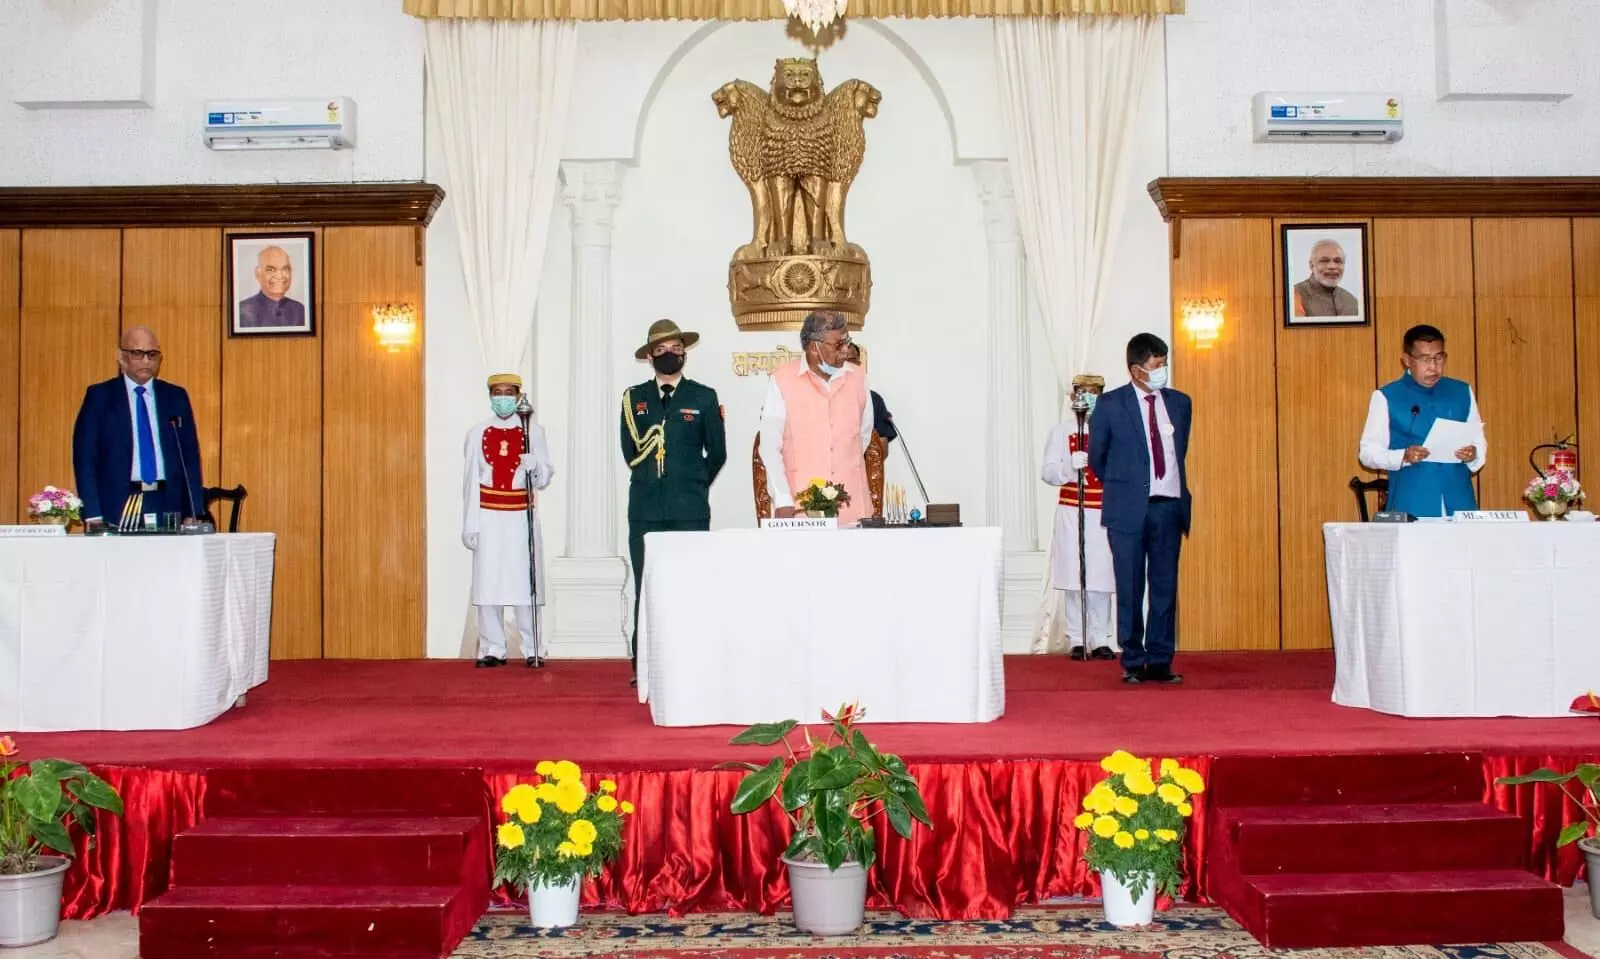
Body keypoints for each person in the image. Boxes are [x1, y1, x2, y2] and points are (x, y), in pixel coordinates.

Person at [621, 320, 727, 684]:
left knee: (691, 587)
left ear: (685, 352)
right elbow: (629, 451)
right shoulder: (634, 398)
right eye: (661, 350)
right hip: (646, 509)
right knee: (647, 586)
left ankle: (692, 660)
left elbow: (717, 453)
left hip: (689, 511)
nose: (670, 355)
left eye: (676, 349)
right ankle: (644, 665)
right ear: (650, 355)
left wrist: (693, 483)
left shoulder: (703, 397)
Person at [1088, 333, 1192, 686]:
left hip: (1168, 508)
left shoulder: (1180, 403)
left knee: (1164, 587)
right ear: (1136, 369)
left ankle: (1161, 658)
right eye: (1156, 366)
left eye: (1164, 364)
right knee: (1130, 586)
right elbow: (1098, 460)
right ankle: (1132, 658)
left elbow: (1181, 450)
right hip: (1127, 510)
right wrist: (1128, 486)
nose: (1162, 371)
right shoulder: (1111, 405)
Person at [462, 373, 554, 669]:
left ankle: (532, 647)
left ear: (518, 396)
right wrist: (470, 524)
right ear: (490, 396)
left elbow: (545, 476)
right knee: (488, 583)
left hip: (519, 516)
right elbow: (469, 482)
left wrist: (535, 465)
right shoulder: (477, 432)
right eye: (497, 392)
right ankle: (493, 647)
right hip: (488, 514)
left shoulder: (533, 431)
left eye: (508, 392)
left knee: (524, 583)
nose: (503, 397)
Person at [72, 325, 204, 530]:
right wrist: (92, 514)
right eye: (137, 353)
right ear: (121, 357)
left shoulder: (175, 397)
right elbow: (85, 459)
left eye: (152, 354)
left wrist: (193, 511)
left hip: (167, 504)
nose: (145, 361)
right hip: (116, 505)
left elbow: (190, 458)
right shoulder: (100, 396)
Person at [760, 310, 874, 523]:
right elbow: (769, 445)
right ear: (814, 346)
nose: (845, 350)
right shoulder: (782, 380)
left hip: (853, 509)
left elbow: (863, 436)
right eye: (838, 344)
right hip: (802, 509)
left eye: (847, 342)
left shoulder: (858, 378)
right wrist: (783, 499)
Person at [1359, 324, 1484, 517]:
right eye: (1425, 359)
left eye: (1439, 358)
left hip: (1460, 502)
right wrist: (1403, 456)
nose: (1433, 367)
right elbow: (1368, 453)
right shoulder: (1386, 396)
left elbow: (1478, 440)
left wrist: (1473, 453)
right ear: (1407, 360)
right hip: (1412, 502)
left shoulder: (1461, 392)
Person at [1041, 374, 1115, 661]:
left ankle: (1100, 636)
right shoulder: (1061, 431)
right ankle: (1077, 637)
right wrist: (1070, 468)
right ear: (1073, 397)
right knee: (1075, 576)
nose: (1088, 397)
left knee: (1101, 578)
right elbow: (1048, 472)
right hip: (1073, 510)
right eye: (1082, 392)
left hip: (1103, 510)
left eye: (1094, 392)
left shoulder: (1111, 430)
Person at [237, 246, 307, 329]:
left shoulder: (299, 309)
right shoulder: (242, 311)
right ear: (258, 274)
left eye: (285, 269)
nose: (280, 276)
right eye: (271, 270)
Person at [1292, 238, 1360, 318]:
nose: (1332, 266)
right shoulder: (1295, 295)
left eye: (1338, 261)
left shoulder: (1351, 301)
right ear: (1311, 265)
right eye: (1324, 261)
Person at [843, 342, 896, 443]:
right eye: (840, 361)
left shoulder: (873, 399)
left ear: (858, 365)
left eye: (851, 361)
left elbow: (881, 445)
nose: (845, 366)